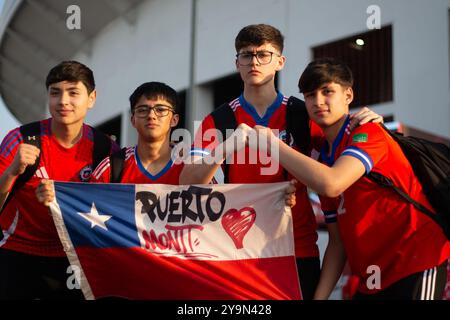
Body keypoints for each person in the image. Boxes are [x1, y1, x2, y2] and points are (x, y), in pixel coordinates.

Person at [179, 24, 382, 299]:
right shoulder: (219, 120)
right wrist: (228, 145)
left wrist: (362, 121)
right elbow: (187, 182)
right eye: (246, 55)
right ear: (236, 63)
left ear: (280, 62)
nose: (254, 62)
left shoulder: (304, 114)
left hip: (297, 249)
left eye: (264, 54)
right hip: (240, 250)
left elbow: (341, 161)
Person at [252, 58, 450, 299]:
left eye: (328, 91)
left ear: (348, 95)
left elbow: (332, 183)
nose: (318, 101)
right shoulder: (322, 157)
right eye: (310, 95)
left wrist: (272, 145)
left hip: (415, 263)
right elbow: (337, 243)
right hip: (372, 279)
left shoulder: (367, 132)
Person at [0, 61, 118, 299]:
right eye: (55, 93)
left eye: (73, 92)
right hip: (17, 252)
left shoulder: (106, 149)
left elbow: (115, 208)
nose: (63, 101)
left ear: (92, 98)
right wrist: (13, 170)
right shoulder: (20, 139)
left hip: (75, 256)